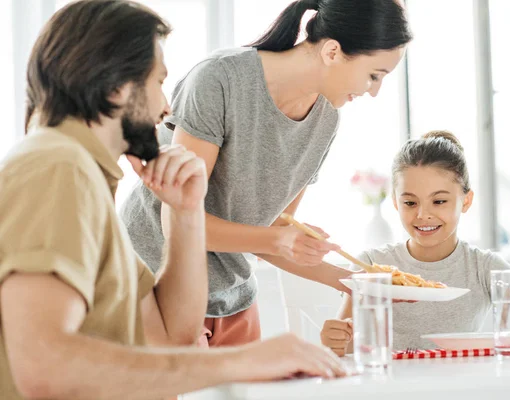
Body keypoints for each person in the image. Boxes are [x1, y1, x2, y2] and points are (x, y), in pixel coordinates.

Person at [0, 2, 347, 399]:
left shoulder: (85, 177)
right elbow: (44, 366)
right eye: (158, 82)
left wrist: (185, 212)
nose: (166, 107)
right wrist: (244, 361)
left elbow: (173, 335)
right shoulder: (57, 166)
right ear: (118, 86)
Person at [121, 0, 413, 348]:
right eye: (374, 76)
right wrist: (280, 240)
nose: (374, 91)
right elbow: (182, 220)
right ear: (333, 51)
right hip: (156, 286)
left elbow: (273, 232)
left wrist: (358, 282)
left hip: (234, 300)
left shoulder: (326, 120)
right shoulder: (220, 80)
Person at [320, 130, 510, 355]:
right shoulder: (371, 265)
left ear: (466, 201)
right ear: (396, 202)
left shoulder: (484, 267)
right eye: (410, 203)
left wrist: (478, 345)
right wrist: (336, 340)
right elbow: (348, 341)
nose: (422, 215)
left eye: (439, 201)